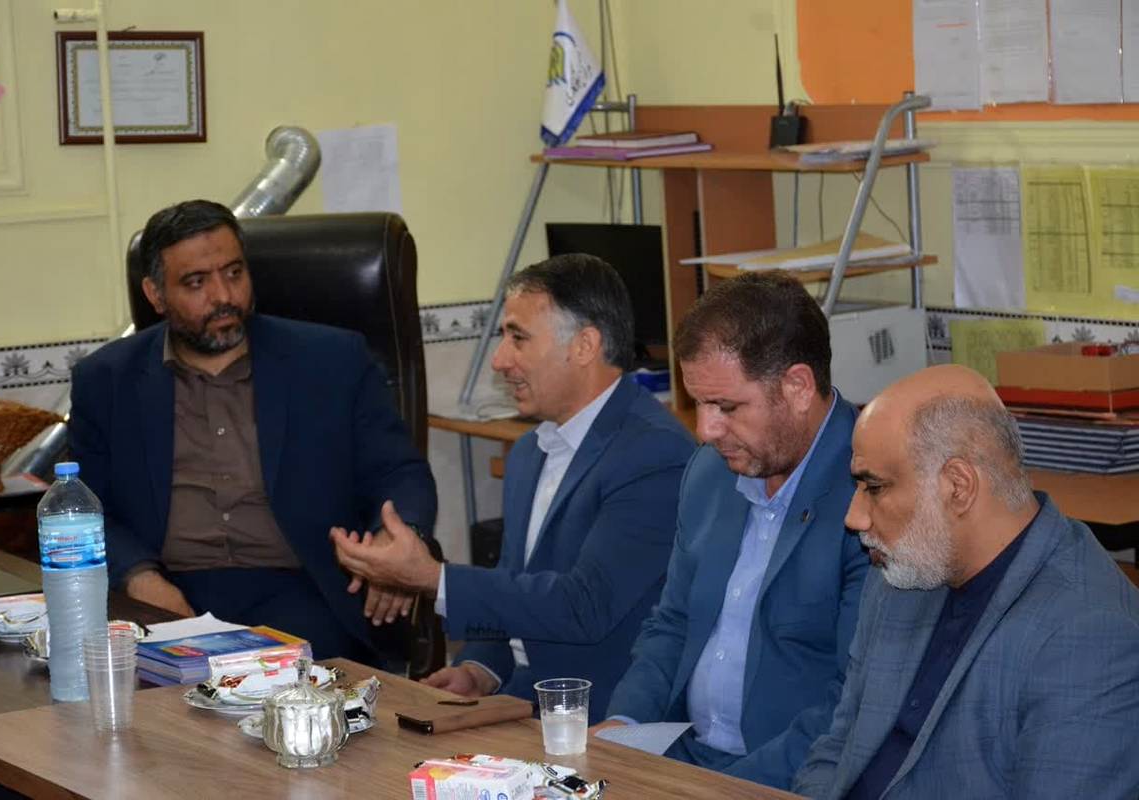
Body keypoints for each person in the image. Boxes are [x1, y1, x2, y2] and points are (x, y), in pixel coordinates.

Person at [69, 199, 437, 662]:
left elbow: (399, 472)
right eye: (196, 282)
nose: (223, 296)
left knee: (300, 688)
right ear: (155, 294)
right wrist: (138, 577)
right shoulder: (106, 381)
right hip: (167, 587)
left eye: (234, 273)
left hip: (302, 587)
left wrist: (397, 541)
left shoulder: (331, 361)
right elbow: (83, 508)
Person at [333, 253, 694, 722]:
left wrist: (433, 578)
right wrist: (480, 669)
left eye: (518, 338)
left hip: (604, 719)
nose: (500, 360)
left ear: (584, 345)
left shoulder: (654, 453)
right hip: (525, 700)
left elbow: (584, 606)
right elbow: (518, 587)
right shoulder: (529, 452)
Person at [793, 365, 1139, 800]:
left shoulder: (1093, 639)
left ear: (957, 486)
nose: (854, 517)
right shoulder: (902, 572)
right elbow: (834, 750)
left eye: (874, 488)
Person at [597, 271, 869, 789]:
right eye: (699, 403)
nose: (706, 430)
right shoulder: (711, 473)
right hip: (684, 758)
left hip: (792, 778)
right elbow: (673, 624)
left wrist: (725, 789)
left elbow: (856, 700)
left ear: (797, 387)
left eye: (726, 406)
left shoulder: (872, 488)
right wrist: (623, 729)